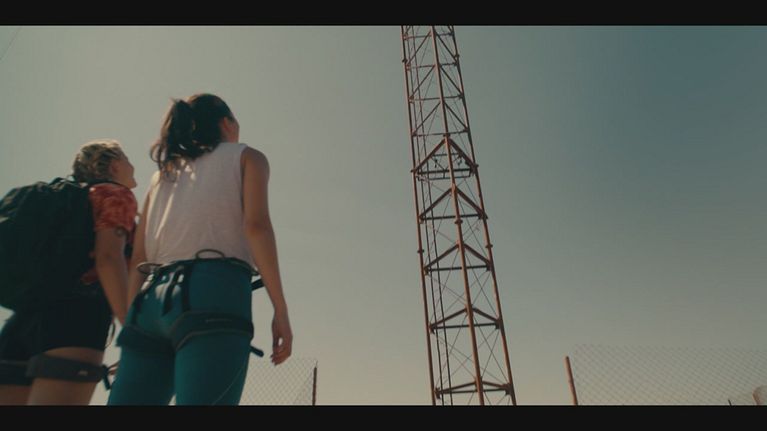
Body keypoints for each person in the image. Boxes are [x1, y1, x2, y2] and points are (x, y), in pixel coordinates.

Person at [107, 94, 292, 405]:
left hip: (151, 301)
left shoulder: (161, 176)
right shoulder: (247, 157)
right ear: (227, 123)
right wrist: (280, 310)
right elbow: (256, 227)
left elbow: (139, 258)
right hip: (215, 292)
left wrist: (131, 328)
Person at [0, 139, 137, 405]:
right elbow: (108, 258)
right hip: (76, 316)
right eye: (128, 160)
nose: (132, 167)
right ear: (115, 165)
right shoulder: (114, 195)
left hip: (24, 319)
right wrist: (131, 329)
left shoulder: (58, 200)